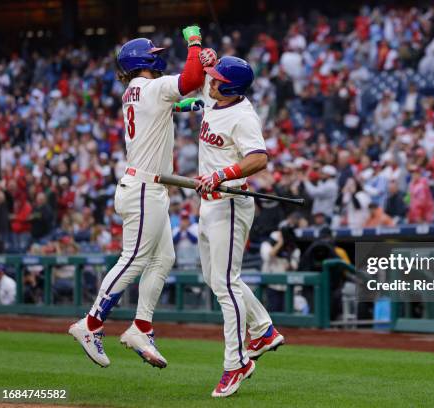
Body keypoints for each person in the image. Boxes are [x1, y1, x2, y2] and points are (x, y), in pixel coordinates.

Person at [68, 27, 209, 369]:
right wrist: (194, 42)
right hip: (145, 188)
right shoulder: (153, 87)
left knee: (163, 259)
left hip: (145, 187)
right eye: (154, 52)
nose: (159, 55)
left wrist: (187, 105)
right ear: (143, 60)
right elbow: (190, 78)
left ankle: (141, 327)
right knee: (132, 260)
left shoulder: (136, 91)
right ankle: (90, 324)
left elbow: (164, 107)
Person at [192, 56, 284, 398]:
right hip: (209, 203)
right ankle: (263, 329)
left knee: (225, 285)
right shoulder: (215, 94)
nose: (210, 82)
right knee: (215, 279)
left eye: (215, 79)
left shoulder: (243, 115)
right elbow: (203, 75)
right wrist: (206, 55)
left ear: (230, 87)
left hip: (231, 201)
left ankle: (236, 363)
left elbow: (258, 158)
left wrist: (221, 174)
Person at [259, 227, 300, 312]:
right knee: (273, 309)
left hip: (287, 285)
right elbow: (268, 257)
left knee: (287, 311)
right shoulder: (267, 244)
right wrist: (280, 243)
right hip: (272, 284)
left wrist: (288, 258)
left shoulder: (293, 248)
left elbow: (294, 266)